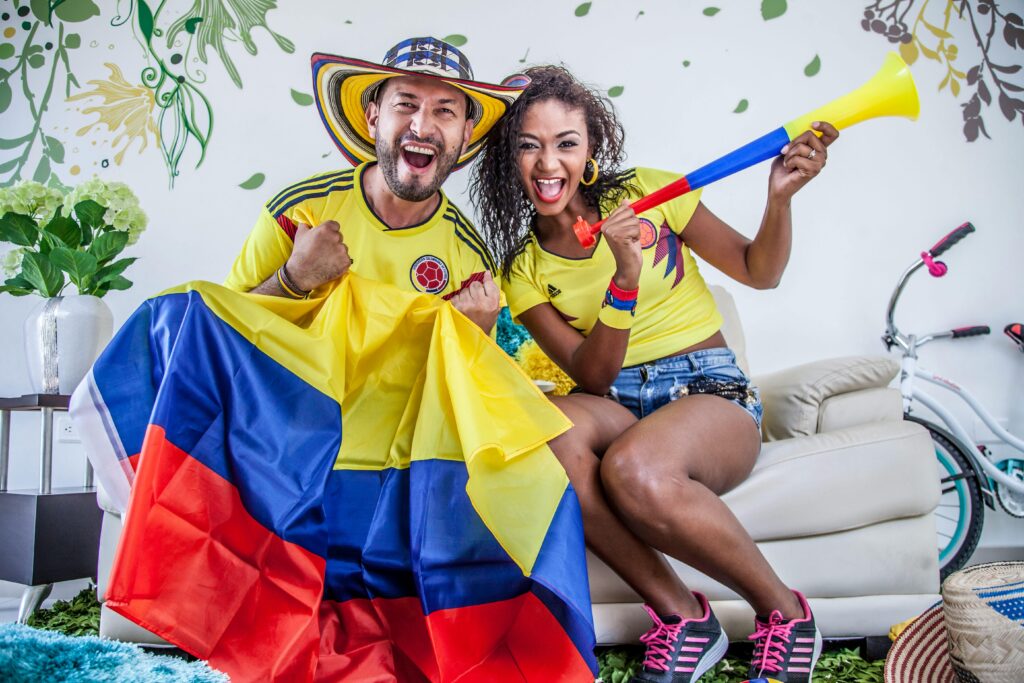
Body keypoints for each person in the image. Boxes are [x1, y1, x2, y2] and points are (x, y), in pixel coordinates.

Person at [471, 65, 839, 683]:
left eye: (566, 143)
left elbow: (759, 271)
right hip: (616, 397)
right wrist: (623, 282)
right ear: (508, 158)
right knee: (538, 429)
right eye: (528, 145)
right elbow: (592, 373)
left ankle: (786, 614)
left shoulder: (653, 194)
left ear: (590, 153)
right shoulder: (523, 268)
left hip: (708, 392)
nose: (547, 163)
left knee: (634, 469)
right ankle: (684, 619)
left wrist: (778, 198)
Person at [226, 37, 528, 334]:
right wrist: (292, 279)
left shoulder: (473, 265)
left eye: (444, 110)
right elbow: (219, 331)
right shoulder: (297, 212)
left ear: (465, 134)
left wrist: (473, 337)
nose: (421, 127)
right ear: (373, 118)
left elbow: (469, 378)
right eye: (405, 104)